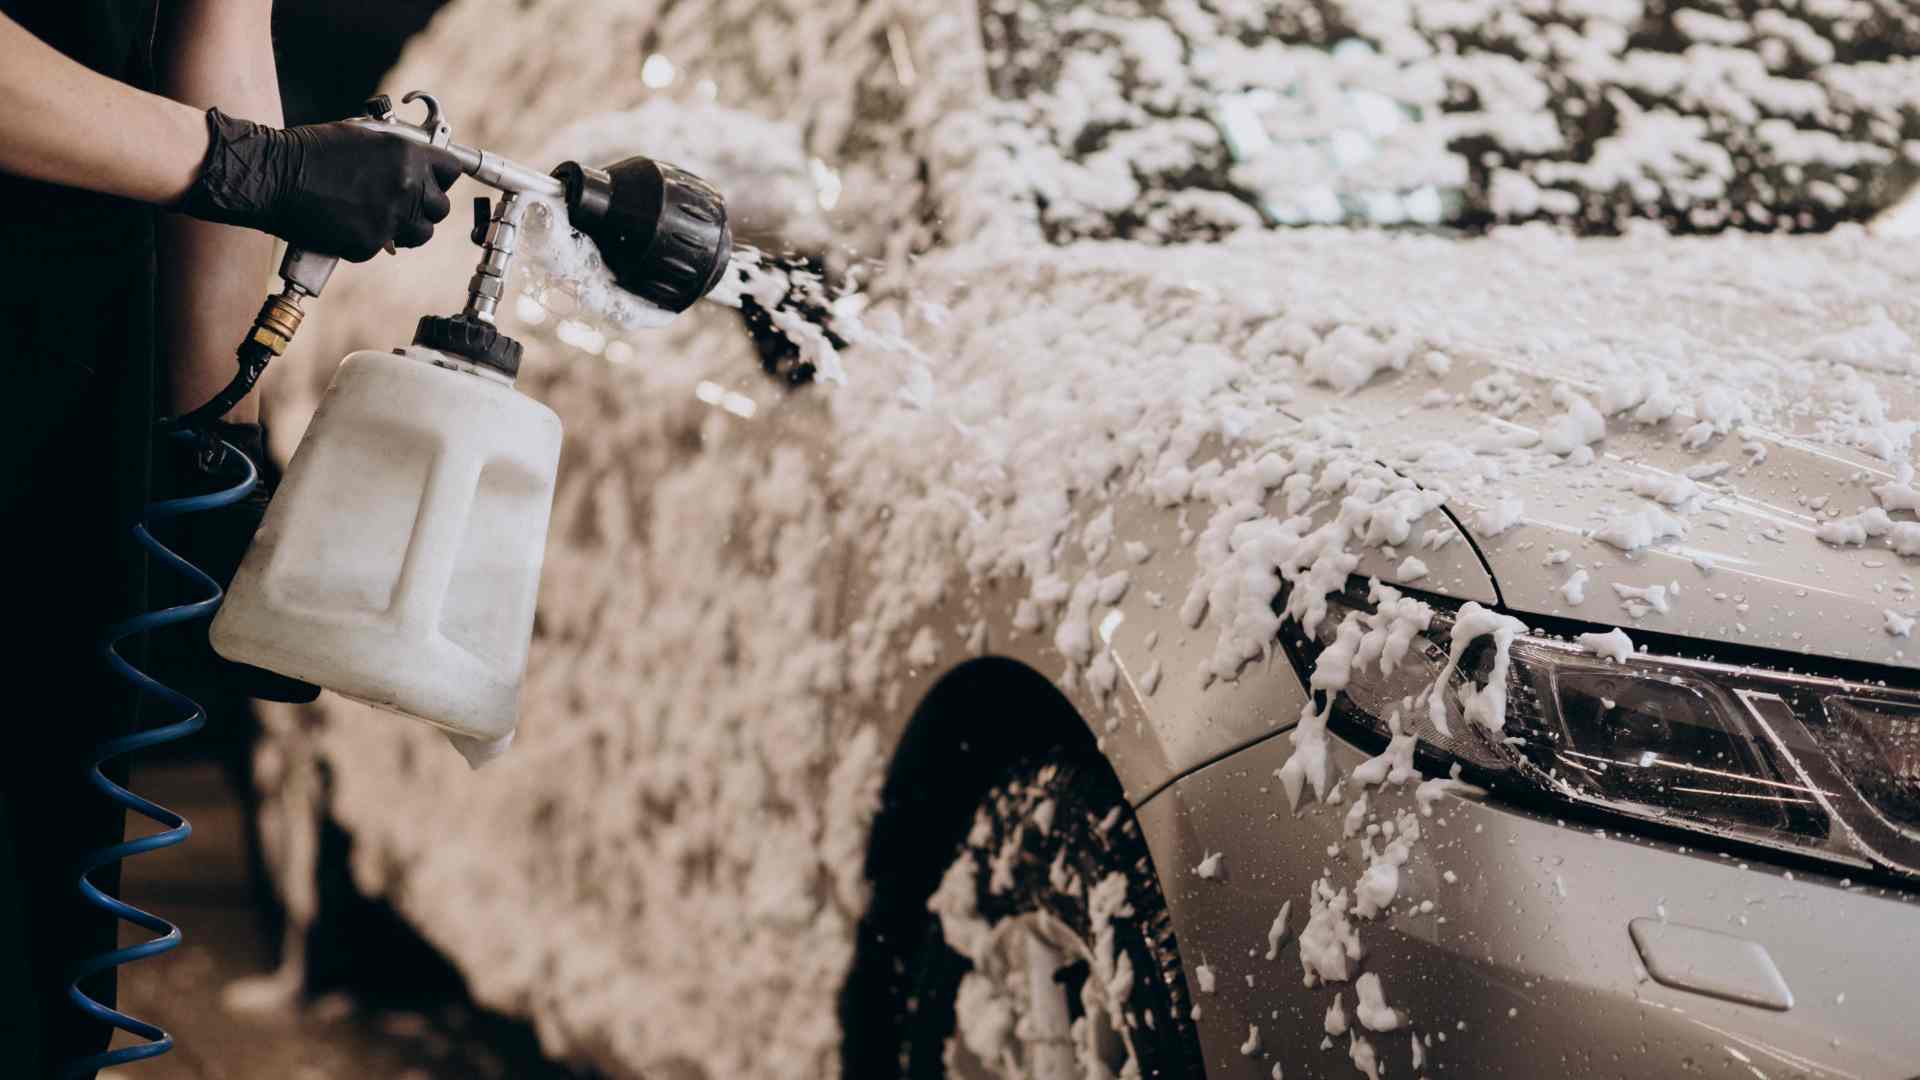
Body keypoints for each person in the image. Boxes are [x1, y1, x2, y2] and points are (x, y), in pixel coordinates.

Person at [0, 3, 461, 1074]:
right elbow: (236, 153)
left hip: (70, 378)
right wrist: (249, 168)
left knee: (34, 935)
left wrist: (215, 444)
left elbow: (215, 29)